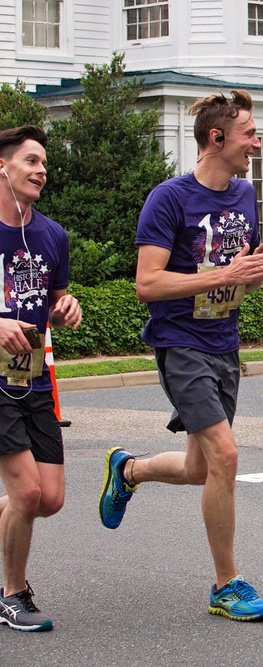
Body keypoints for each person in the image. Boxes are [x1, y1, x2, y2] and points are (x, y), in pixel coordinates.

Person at [98, 90, 263, 620]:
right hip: (180, 344)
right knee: (226, 457)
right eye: (249, 133)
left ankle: (128, 469)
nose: (256, 142)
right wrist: (225, 274)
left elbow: (235, 273)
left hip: (224, 342)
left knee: (201, 468)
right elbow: (147, 283)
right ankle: (226, 585)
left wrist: (255, 271)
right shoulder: (169, 199)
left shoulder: (245, 194)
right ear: (217, 137)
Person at [0, 125, 82, 632]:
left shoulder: (52, 235)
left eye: (44, 163)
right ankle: (13, 594)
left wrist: (64, 307)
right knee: (26, 493)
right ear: (3, 168)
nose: (41, 170)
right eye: (30, 161)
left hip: (34, 375)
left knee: (47, 499)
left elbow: (51, 301)